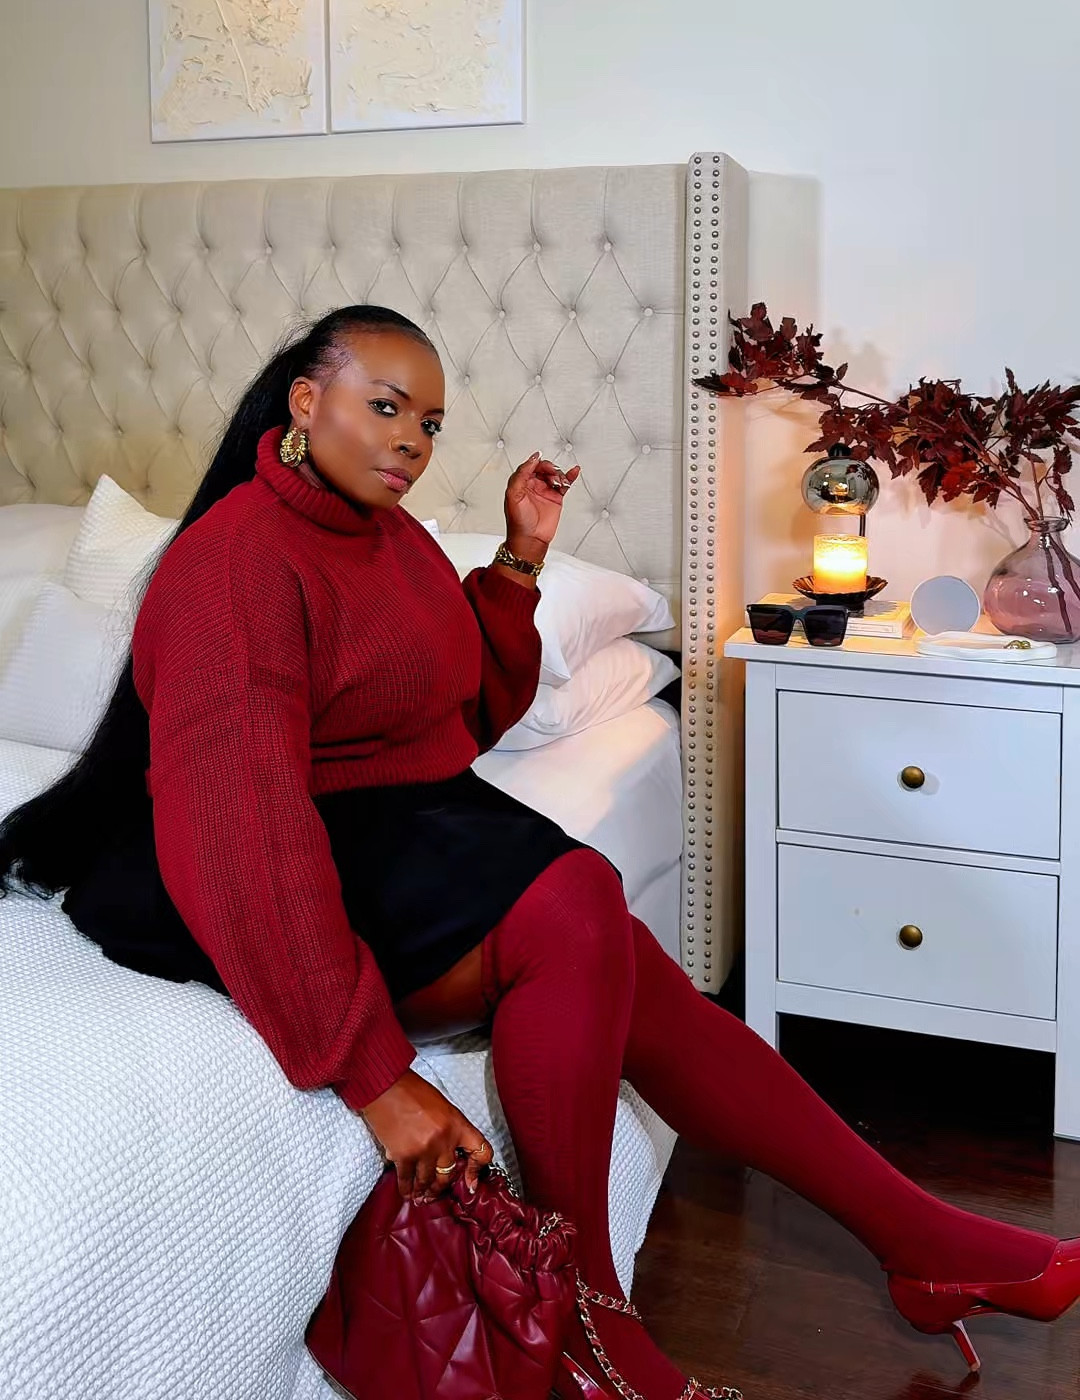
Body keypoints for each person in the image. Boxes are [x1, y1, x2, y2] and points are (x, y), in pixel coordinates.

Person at [1, 302, 1077, 1399]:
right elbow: (241, 829)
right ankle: (591, 1320)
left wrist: (518, 558)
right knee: (572, 902)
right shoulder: (232, 563)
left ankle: (914, 1241)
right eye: (385, 407)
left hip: (389, 826)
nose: (411, 443)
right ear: (306, 402)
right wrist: (375, 1079)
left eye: (428, 422)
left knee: (611, 940)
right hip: (245, 864)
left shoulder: (393, 538)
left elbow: (459, 717)